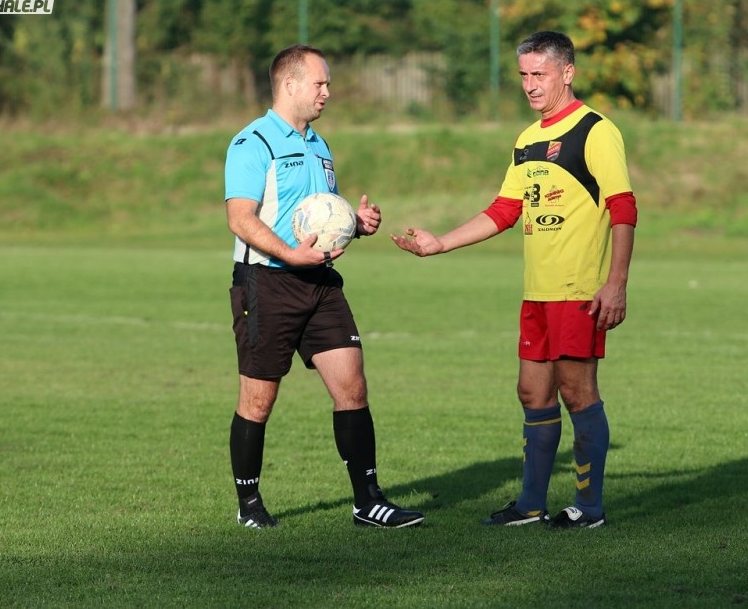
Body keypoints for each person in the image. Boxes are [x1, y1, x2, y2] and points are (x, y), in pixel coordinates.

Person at [391, 31, 636, 529]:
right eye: (523, 75)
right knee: (532, 393)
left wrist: (616, 283)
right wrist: (441, 243)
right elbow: (505, 210)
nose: (529, 85)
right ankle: (530, 505)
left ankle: (589, 509)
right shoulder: (526, 140)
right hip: (537, 292)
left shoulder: (595, 130)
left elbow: (623, 208)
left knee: (578, 393)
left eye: (539, 74)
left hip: (578, 291)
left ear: (567, 72)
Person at [224, 44, 424, 529]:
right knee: (258, 400)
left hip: (320, 282)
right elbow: (240, 218)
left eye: (328, 84)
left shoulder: (318, 144)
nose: (327, 92)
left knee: (352, 385)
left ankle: (368, 502)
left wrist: (356, 223)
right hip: (266, 283)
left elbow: (320, 216)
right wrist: (289, 253)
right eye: (320, 83)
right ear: (289, 84)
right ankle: (249, 504)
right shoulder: (253, 143)